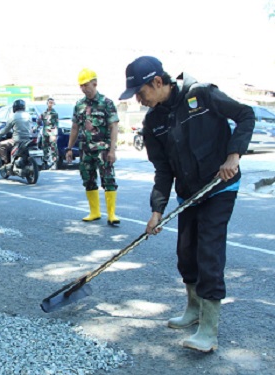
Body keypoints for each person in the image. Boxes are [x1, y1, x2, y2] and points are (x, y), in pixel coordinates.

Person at [119, 56, 254, 353]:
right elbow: (163, 171)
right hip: (188, 193)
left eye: (140, 93)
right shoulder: (153, 122)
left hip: (219, 186)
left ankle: (209, 329)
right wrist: (156, 211)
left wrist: (234, 155)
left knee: (209, 251)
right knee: (186, 253)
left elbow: (246, 114)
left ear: (157, 82)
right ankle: (193, 309)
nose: (139, 100)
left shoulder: (202, 95)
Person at [66, 68, 120, 226]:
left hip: (103, 149)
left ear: (94, 83)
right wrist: (69, 148)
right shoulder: (79, 105)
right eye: (81, 86)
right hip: (85, 150)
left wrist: (112, 150)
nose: (83, 88)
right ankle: (94, 212)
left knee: (108, 179)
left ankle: (111, 214)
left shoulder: (106, 103)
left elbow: (114, 127)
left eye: (86, 84)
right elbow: (75, 127)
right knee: (88, 179)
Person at [0, 99, 32, 168]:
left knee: (1, 145)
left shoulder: (13, 117)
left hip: (17, 140)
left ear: (14, 107)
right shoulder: (28, 115)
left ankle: (6, 163)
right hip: (28, 139)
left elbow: (6, 130)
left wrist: (0, 133)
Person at [38, 98, 59, 170]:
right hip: (45, 132)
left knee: (53, 147)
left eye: (52, 103)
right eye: (49, 103)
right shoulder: (43, 113)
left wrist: (55, 133)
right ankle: (45, 162)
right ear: (47, 103)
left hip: (52, 132)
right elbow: (39, 122)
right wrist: (35, 128)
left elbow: (57, 124)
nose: (50, 104)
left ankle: (54, 162)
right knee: (45, 147)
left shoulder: (55, 113)